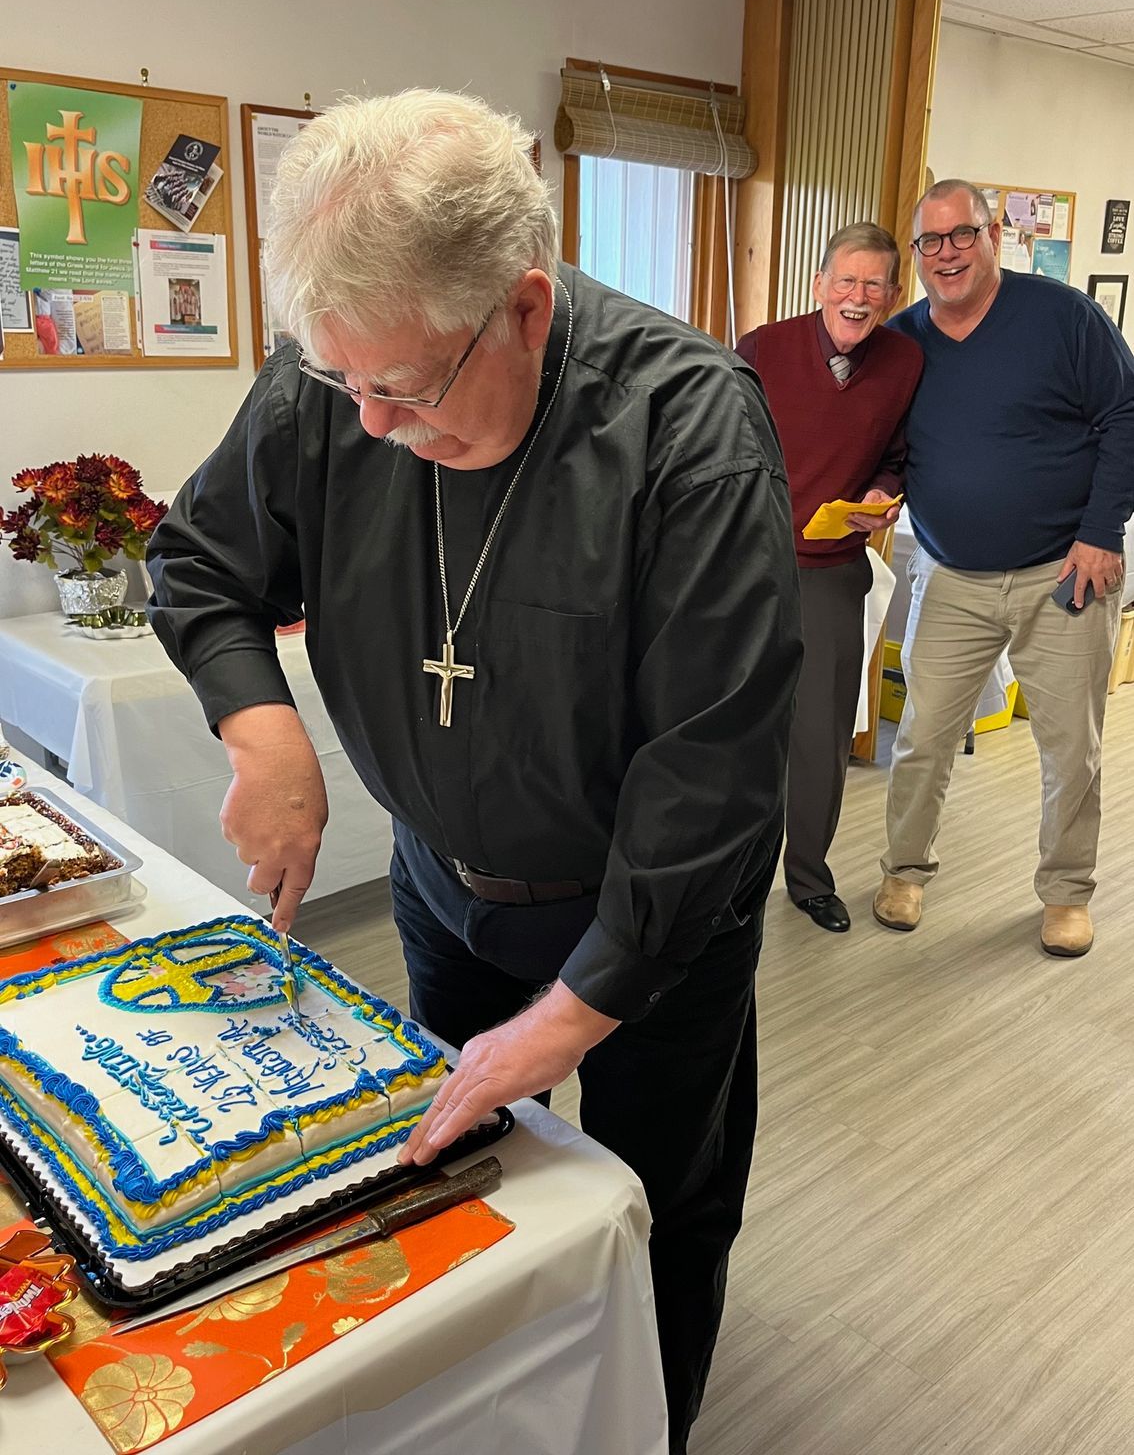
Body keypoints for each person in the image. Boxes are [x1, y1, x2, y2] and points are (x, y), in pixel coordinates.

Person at [146, 90, 802, 1452]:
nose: (371, 427)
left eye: (406, 388)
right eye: (346, 386)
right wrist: (260, 727)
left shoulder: (689, 428)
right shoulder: (336, 375)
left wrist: (570, 1015)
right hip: (443, 888)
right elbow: (200, 566)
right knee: (457, 1180)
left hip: (647, 927)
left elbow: (712, 770)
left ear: (522, 305)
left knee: (648, 1206)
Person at [874, 179, 1134, 955]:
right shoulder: (904, 340)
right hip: (951, 576)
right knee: (922, 736)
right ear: (916, 255)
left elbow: (1126, 416)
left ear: (993, 238)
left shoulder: (1064, 319)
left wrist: (1102, 531)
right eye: (931, 241)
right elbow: (887, 444)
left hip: (1065, 572)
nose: (947, 252)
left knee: (1071, 748)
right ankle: (904, 870)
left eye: (963, 235)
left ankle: (1066, 894)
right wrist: (882, 492)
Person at [736, 223, 922, 934]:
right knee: (734, 732)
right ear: (818, 286)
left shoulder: (905, 363)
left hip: (833, 573)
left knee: (820, 741)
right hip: (747, 571)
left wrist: (881, 491)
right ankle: (726, 877)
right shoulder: (762, 347)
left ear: (892, 295)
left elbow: (900, 456)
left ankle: (809, 880)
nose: (858, 296)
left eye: (874, 284)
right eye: (846, 280)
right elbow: (716, 434)